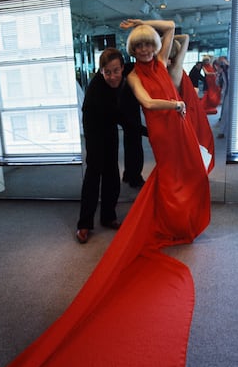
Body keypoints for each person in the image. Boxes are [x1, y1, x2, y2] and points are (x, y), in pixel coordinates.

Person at [119, 18, 211, 246]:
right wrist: (174, 104)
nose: (144, 50)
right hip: (162, 131)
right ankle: (171, 225)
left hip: (180, 124)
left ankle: (184, 221)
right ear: (133, 50)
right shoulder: (133, 76)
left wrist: (141, 23)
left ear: (154, 45)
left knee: (193, 172)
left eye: (148, 44)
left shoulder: (161, 62)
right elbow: (148, 103)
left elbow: (170, 26)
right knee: (171, 179)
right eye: (139, 46)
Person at [76, 47, 146, 244]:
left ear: (123, 68)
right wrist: (145, 131)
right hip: (94, 130)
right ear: (101, 71)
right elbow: (122, 119)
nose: (113, 76)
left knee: (112, 174)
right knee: (93, 175)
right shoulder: (96, 91)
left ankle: (108, 217)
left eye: (116, 70)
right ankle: (84, 224)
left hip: (110, 128)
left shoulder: (126, 72)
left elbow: (143, 63)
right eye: (107, 72)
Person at [168, 34, 215, 172]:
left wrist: (164, 40)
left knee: (187, 145)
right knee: (192, 142)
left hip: (187, 109)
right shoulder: (175, 68)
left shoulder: (172, 69)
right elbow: (186, 38)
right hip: (188, 110)